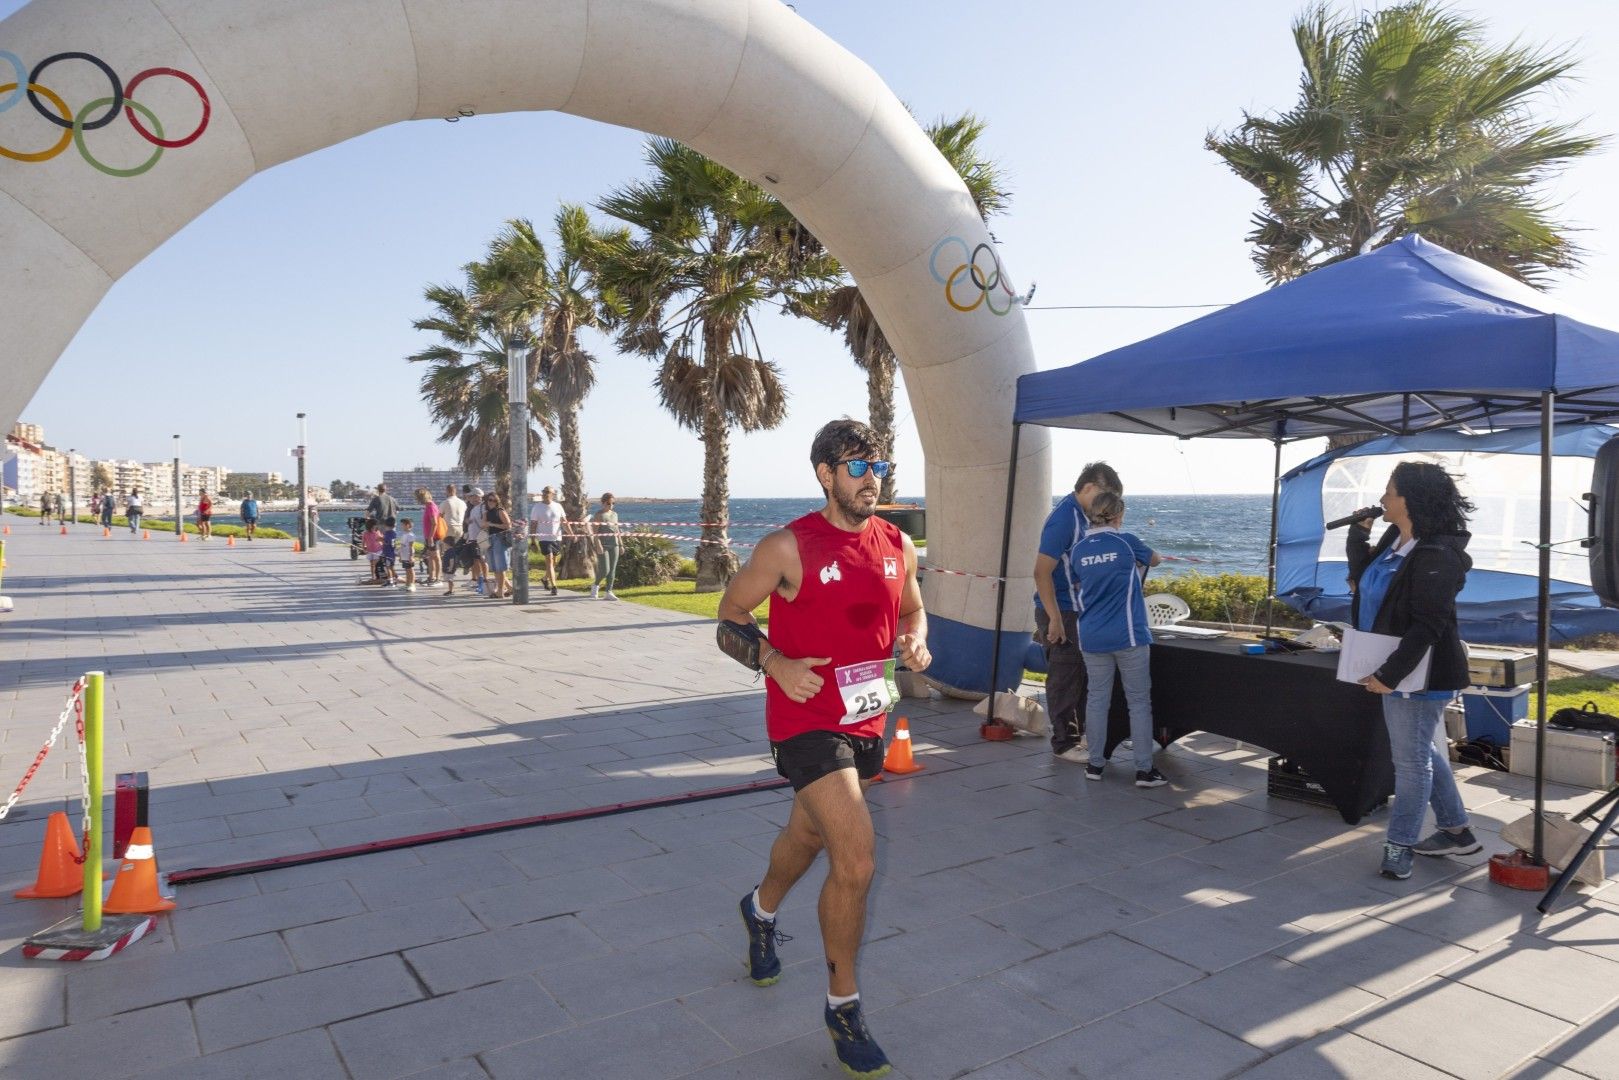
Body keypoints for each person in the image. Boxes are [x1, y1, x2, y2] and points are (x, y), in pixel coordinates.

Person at [717, 418, 929, 1080]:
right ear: (825, 474)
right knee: (857, 859)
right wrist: (773, 661)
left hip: (867, 718)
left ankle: (758, 910)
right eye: (858, 468)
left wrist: (915, 642)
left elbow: (913, 610)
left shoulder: (897, 542)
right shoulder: (789, 547)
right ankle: (843, 1008)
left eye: (879, 466)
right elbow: (728, 617)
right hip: (804, 721)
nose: (873, 479)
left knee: (807, 838)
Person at [1347, 462, 1480, 881]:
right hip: (1392, 663)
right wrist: (1358, 534)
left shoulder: (1436, 554)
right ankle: (1456, 830)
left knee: (1410, 763)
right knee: (1419, 751)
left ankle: (1399, 844)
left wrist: (1389, 674)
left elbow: (1429, 625)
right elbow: (1360, 581)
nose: (1383, 498)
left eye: (1389, 491)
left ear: (1410, 499)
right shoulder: (1395, 539)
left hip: (1420, 673)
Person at [1070, 491, 1166, 787]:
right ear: (1117, 515)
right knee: (1138, 702)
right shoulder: (1127, 542)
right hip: (1128, 634)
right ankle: (1144, 770)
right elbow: (1156, 560)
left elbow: (1077, 582)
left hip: (1091, 636)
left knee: (1097, 700)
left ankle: (1095, 765)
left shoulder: (1078, 550)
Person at [1032, 462, 1123, 764]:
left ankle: (1082, 735)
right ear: (1088, 488)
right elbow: (1041, 571)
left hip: (1080, 610)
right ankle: (1064, 742)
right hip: (1062, 610)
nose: (1104, 506)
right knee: (1065, 676)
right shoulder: (1065, 519)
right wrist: (1054, 619)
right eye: (1103, 496)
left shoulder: (1081, 516)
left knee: (1082, 676)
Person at [529, 486, 565, 597]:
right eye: (544, 491)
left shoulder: (558, 506)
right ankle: (554, 586)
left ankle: (545, 578)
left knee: (553, 563)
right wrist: (533, 540)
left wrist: (572, 534)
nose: (545, 494)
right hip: (543, 538)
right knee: (549, 560)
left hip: (556, 538)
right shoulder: (537, 507)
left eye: (547, 492)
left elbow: (563, 521)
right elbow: (533, 524)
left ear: (553, 494)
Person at [590, 493, 622, 600]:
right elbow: (594, 532)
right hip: (603, 545)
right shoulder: (599, 515)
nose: (611, 505)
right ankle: (595, 585)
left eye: (613, 503)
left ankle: (609, 591)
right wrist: (597, 544)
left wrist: (621, 545)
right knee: (605, 569)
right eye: (608, 503)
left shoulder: (615, 514)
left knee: (612, 569)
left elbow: (617, 530)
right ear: (603, 503)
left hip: (615, 544)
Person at [464, 486, 488, 595]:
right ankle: (479, 581)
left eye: (474, 496)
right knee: (475, 560)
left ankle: (485, 580)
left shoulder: (483, 507)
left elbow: (484, 522)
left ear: (479, 497)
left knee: (481, 560)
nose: (471, 499)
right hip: (473, 538)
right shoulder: (473, 508)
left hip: (480, 538)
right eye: (471, 497)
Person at [416, 488, 441, 585]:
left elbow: (434, 523)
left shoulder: (431, 506)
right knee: (430, 557)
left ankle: (438, 579)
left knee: (436, 557)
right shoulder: (428, 506)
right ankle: (432, 577)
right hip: (428, 536)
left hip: (433, 536)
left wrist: (430, 537)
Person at [398, 517, 418, 592]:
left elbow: (411, 547)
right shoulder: (404, 534)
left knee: (410, 570)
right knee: (407, 570)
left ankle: (412, 584)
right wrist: (400, 555)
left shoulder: (411, 535)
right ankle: (407, 584)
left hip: (408, 555)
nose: (401, 526)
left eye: (403, 525)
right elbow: (402, 545)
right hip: (404, 555)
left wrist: (411, 556)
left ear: (408, 525)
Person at [379, 516, 401, 587]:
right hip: (392, 553)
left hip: (388, 553)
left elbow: (387, 542)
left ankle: (390, 581)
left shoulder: (387, 533)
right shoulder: (394, 533)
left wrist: (381, 540)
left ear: (386, 525)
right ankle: (395, 579)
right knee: (391, 567)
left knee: (388, 567)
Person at [362, 518, 385, 583]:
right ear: (370, 526)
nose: (375, 527)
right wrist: (363, 548)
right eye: (374, 525)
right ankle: (373, 577)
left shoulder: (377, 532)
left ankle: (375, 577)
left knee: (373, 564)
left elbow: (382, 540)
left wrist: (384, 547)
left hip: (378, 550)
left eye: (376, 526)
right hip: (369, 551)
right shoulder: (365, 533)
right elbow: (363, 541)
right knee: (371, 564)